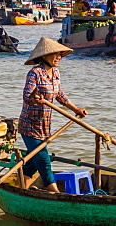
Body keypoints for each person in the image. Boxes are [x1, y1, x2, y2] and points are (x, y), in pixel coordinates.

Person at [19, 37, 87, 193]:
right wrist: (35, 99)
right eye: (54, 54)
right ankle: (56, 194)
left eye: (60, 55)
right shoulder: (35, 73)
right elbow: (27, 95)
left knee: (32, 161)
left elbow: (59, 94)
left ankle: (23, 189)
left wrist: (75, 109)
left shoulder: (55, 73)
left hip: (45, 125)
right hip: (30, 125)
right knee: (44, 160)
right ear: (44, 56)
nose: (58, 58)